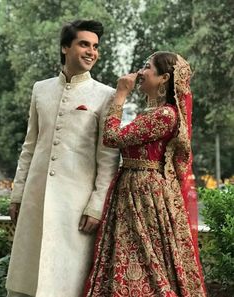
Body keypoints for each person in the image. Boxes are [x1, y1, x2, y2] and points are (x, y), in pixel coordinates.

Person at [6, 19, 119, 297]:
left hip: (76, 206)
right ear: (65, 47)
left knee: (67, 280)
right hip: (35, 197)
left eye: (95, 46)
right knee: (25, 277)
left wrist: (96, 206)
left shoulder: (106, 96)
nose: (91, 51)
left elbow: (108, 158)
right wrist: (18, 194)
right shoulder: (40, 89)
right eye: (84, 44)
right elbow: (30, 146)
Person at [83, 51, 207, 296]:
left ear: (164, 78)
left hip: (145, 195)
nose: (141, 72)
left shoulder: (165, 115)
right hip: (131, 188)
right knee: (128, 253)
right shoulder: (151, 113)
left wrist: (120, 95)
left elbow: (112, 137)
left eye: (148, 67)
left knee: (147, 259)